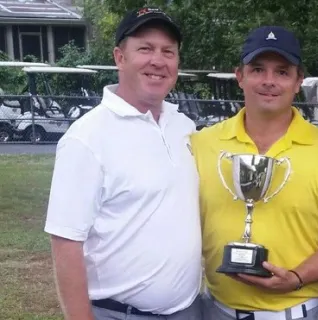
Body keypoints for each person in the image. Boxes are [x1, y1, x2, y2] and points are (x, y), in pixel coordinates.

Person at [44, 7, 202, 320]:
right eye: (145, 48)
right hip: (120, 314)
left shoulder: (185, 127)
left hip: (188, 309)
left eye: (167, 51)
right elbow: (65, 244)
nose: (158, 60)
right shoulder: (87, 138)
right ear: (120, 57)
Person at [190, 26, 318, 320]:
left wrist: (296, 277)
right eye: (258, 69)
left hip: (296, 312)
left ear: (299, 81)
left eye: (282, 72)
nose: (269, 81)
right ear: (240, 76)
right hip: (216, 310)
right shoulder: (203, 144)